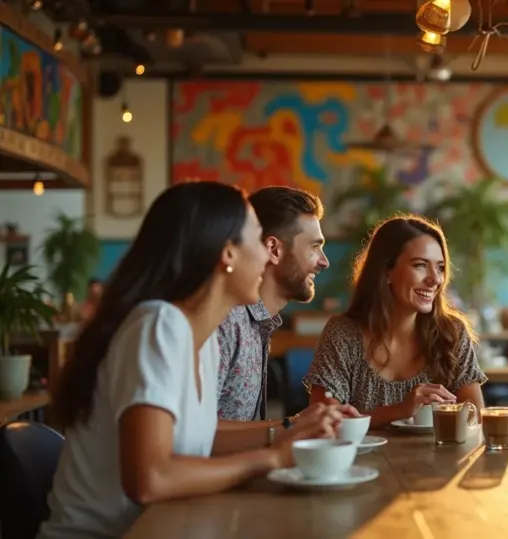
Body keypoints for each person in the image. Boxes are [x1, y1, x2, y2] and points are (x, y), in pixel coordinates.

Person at [40, 182, 345, 539]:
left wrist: (294, 428)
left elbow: (203, 435)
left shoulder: (197, 336)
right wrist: (272, 457)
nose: (265, 256)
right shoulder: (158, 325)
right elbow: (150, 480)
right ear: (227, 254)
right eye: (256, 239)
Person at [304, 216, 487, 428]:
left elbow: (476, 416)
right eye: (420, 265)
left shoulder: (451, 333)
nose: (435, 279)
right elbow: (323, 421)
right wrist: (401, 409)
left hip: (437, 460)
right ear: (386, 271)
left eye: (440, 267)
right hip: (360, 461)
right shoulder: (343, 334)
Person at [216, 186, 335, 425]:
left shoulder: (259, 322)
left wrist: (298, 424)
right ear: (274, 249)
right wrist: (286, 430)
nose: (325, 262)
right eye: (314, 247)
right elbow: (197, 433)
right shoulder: (225, 323)